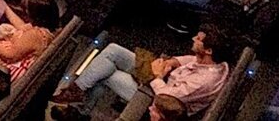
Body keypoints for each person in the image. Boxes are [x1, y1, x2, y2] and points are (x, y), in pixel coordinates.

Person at [53, 28, 230, 116]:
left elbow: (167, 99)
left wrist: (157, 75)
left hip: (158, 98)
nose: (193, 39)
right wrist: (170, 62)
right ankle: (77, 93)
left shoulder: (203, 81)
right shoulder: (211, 62)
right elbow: (189, 60)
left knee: (106, 74)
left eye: (199, 40)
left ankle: (80, 109)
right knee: (113, 50)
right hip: (164, 77)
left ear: (209, 51)